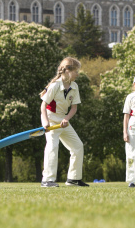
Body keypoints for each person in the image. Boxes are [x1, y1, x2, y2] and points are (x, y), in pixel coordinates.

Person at [40, 57, 89, 187]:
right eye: (76, 71)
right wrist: (45, 122)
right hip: (50, 120)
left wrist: (66, 119)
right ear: (67, 70)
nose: (78, 74)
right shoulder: (55, 86)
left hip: (63, 120)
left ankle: (73, 179)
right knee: (52, 146)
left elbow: (74, 108)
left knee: (78, 146)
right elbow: (43, 106)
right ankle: (47, 180)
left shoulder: (74, 86)